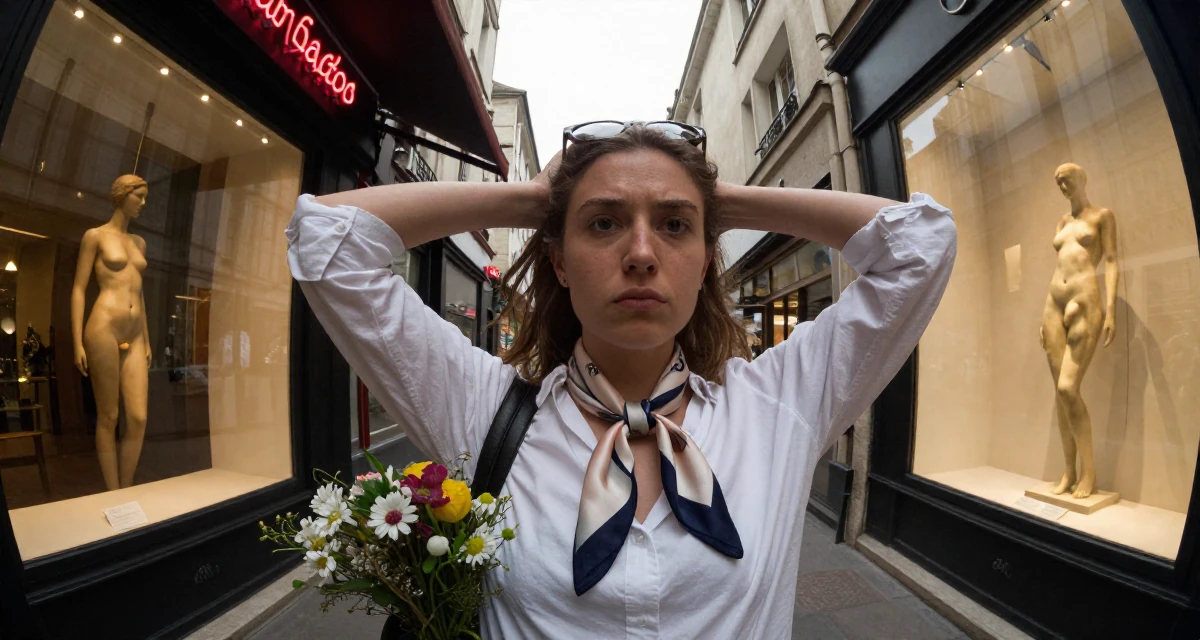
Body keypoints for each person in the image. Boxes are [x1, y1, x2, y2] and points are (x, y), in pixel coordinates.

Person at [286, 122, 956, 637]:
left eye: (674, 227)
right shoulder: (478, 407)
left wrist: (716, 199)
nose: (640, 254)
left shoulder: (779, 407)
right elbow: (327, 239)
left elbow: (921, 246)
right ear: (561, 262)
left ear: (703, 264)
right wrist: (537, 199)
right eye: (603, 224)